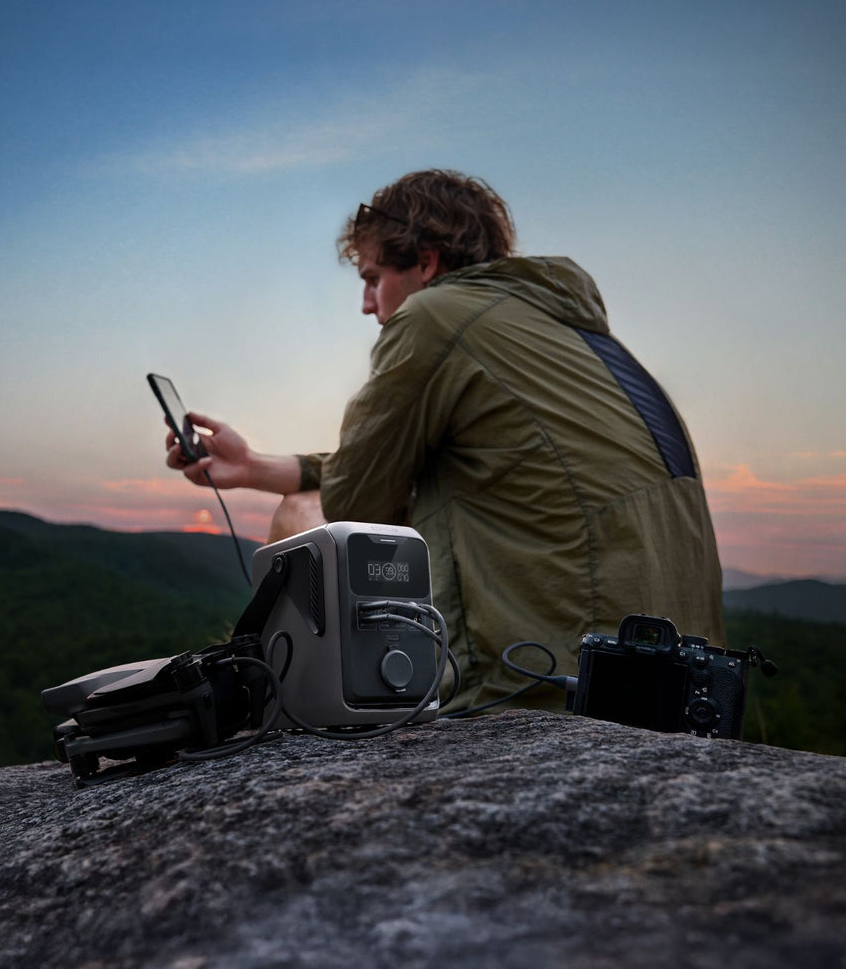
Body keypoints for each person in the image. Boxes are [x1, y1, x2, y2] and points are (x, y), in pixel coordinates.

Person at [166, 169, 723, 714]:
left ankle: (276, 710)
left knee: (304, 524)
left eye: (373, 278)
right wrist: (253, 466)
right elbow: (424, 465)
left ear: (427, 262)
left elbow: (357, 501)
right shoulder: (574, 336)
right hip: (686, 687)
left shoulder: (433, 317)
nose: (367, 303)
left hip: (543, 680)